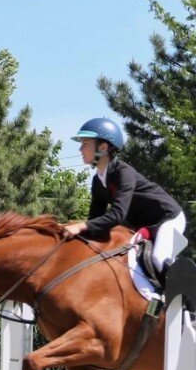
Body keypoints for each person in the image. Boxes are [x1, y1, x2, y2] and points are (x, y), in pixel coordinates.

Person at [62, 117, 186, 277]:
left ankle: (187, 298)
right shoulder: (97, 180)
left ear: (103, 147)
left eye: (85, 144)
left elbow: (117, 215)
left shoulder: (123, 172)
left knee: (158, 258)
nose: (80, 149)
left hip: (168, 218)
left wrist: (79, 226)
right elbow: (94, 220)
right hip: (145, 225)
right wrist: (69, 230)